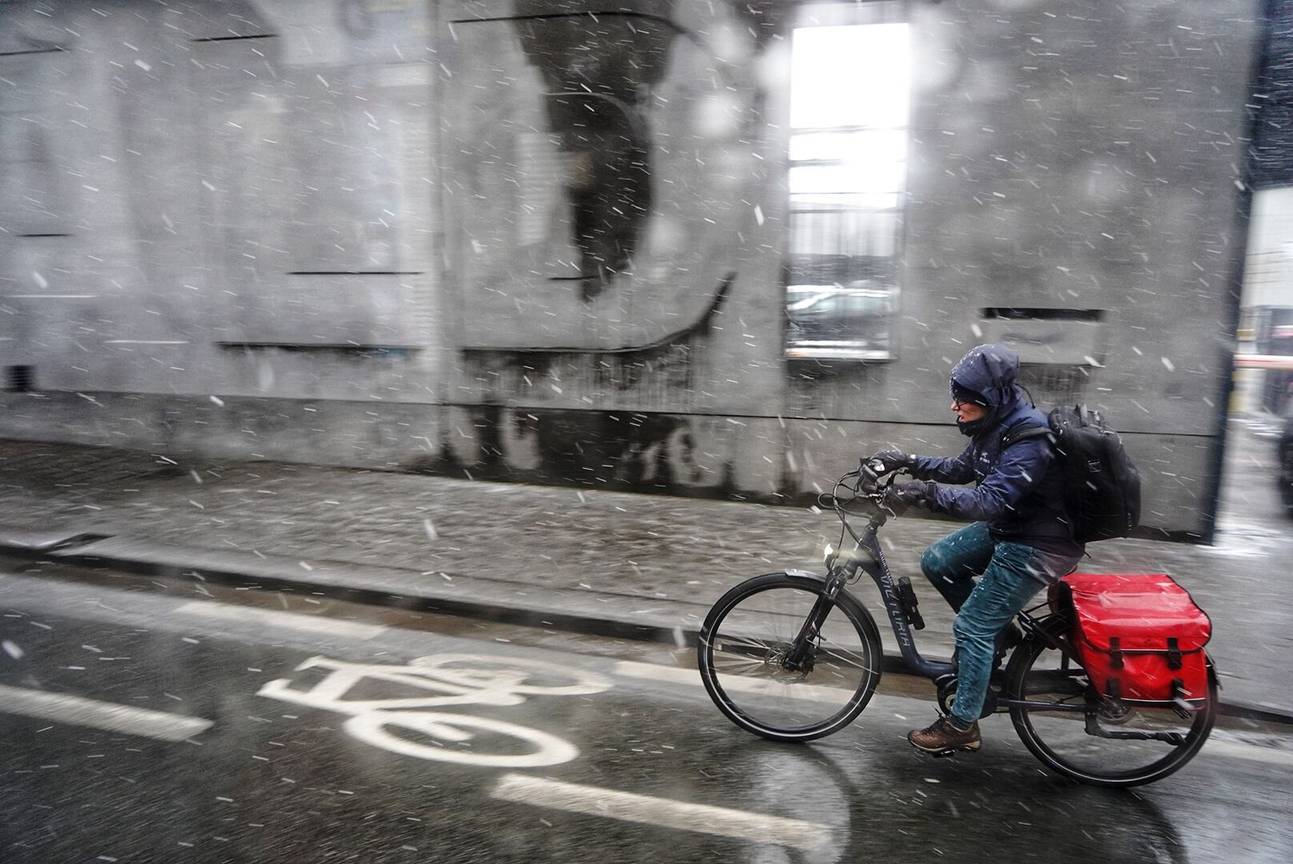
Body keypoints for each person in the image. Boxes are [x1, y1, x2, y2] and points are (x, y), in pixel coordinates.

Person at [867, 343, 1083, 755]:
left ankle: (963, 724)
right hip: (1015, 528)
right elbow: (964, 469)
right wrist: (905, 460)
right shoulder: (996, 424)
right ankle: (999, 634)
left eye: (964, 399)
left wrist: (922, 492)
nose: (955, 406)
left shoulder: (1028, 438)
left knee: (971, 627)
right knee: (939, 561)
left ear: (990, 398)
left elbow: (988, 502)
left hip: (1039, 544)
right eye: (956, 396)